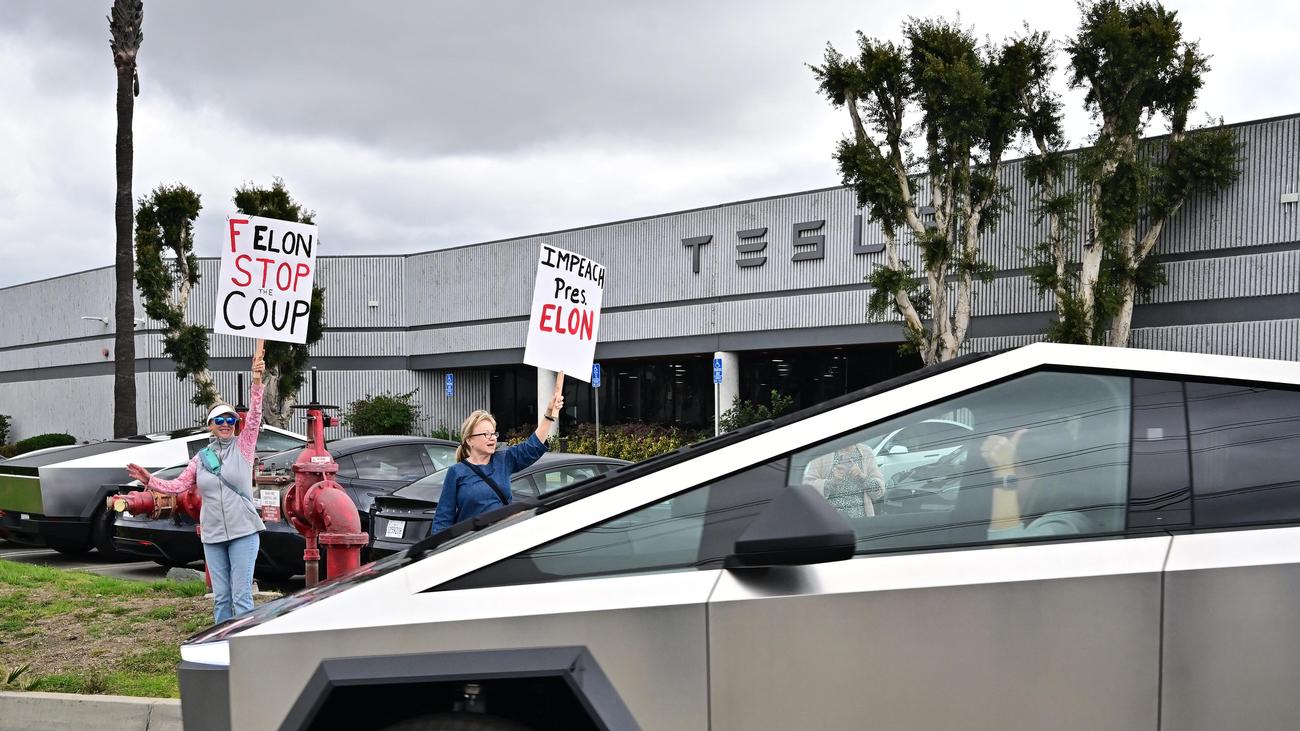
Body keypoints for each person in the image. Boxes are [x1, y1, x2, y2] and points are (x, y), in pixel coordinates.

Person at [126, 343, 266, 624]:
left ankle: (245, 645)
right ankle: (220, 644)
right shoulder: (201, 458)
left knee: (242, 596)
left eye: (230, 419)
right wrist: (150, 480)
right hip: (213, 536)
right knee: (222, 597)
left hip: (244, 532)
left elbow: (254, 418)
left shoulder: (244, 448)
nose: (225, 424)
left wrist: (256, 379)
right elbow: (177, 486)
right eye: (219, 420)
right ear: (210, 425)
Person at [430, 373, 565, 533]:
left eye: (494, 433)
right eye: (486, 434)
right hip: (470, 542)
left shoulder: (504, 459)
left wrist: (549, 414)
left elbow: (532, 447)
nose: (492, 438)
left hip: (501, 539)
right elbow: (442, 520)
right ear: (469, 440)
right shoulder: (456, 472)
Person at [980, 424, 1093, 539]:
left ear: (1042, 478)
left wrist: (1003, 471)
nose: (995, 487)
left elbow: (1004, 548)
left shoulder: (1064, 524)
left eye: (1013, 471)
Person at [801, 442, 886, 518]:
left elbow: (879, 492)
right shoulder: (823, 454)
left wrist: (862, 477)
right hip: (829, 521)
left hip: (860, 521)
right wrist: (831, 482)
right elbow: (807, 486)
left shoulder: (866, 452)